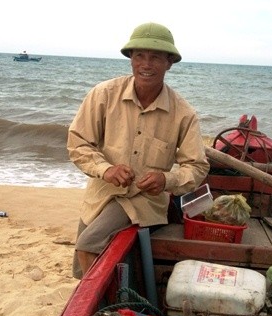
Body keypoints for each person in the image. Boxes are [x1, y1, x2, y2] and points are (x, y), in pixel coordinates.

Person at [67, 22, 210, 279]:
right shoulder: (104, 95)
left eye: (155, 57)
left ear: (169, 62)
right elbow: (78, 143)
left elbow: (197, 166)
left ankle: (107, 306)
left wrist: (167, 179)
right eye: (139, 56)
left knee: (88, 246)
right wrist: (106, 169)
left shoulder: (183, 113)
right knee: (81, 269)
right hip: (102, 194)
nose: (146, 64)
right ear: (130, 59)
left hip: (145, 201)